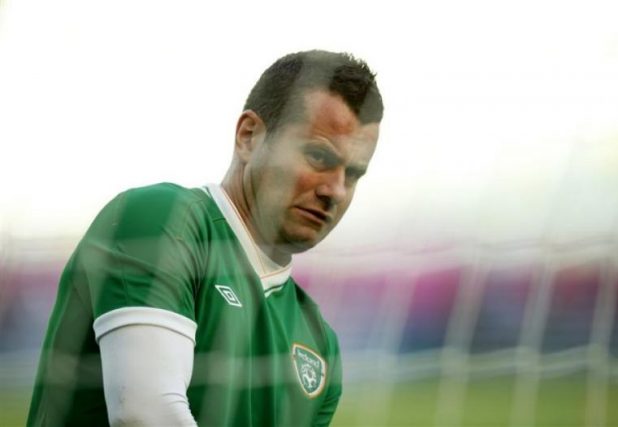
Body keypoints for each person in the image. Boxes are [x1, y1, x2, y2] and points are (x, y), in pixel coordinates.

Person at [27, 49, 384, 426]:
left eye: (354, 174)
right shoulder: (160, 219)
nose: (337, 190)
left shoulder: (320, 345)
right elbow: (146, 415)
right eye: (319, 156)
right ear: (249, 137)